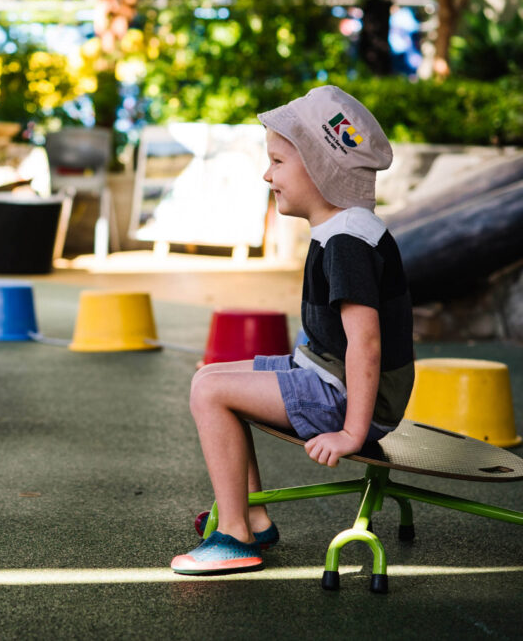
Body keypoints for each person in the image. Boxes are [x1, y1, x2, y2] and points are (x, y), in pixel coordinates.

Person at [171, 86, 414, 575]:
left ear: (322, 171)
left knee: (212, 392)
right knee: (211, 378)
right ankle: (254, 515)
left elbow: (366, 344)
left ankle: (235, 535)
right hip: (328, 375)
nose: (268, 174)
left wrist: (352, 432)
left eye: (278, 161)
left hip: (346, 395)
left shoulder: (348, 240)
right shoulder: (342, 227)